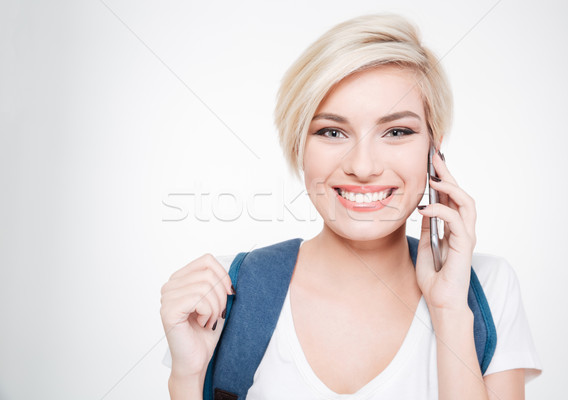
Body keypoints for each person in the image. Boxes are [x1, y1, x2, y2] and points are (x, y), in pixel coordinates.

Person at [160, 13, 542, 399]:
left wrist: (449, 313)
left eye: (396, 131)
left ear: (434, 148)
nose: (362, 166)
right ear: (299, 146)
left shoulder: (487, 289)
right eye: (332, 131)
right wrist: (186, 378)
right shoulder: (225, 292)